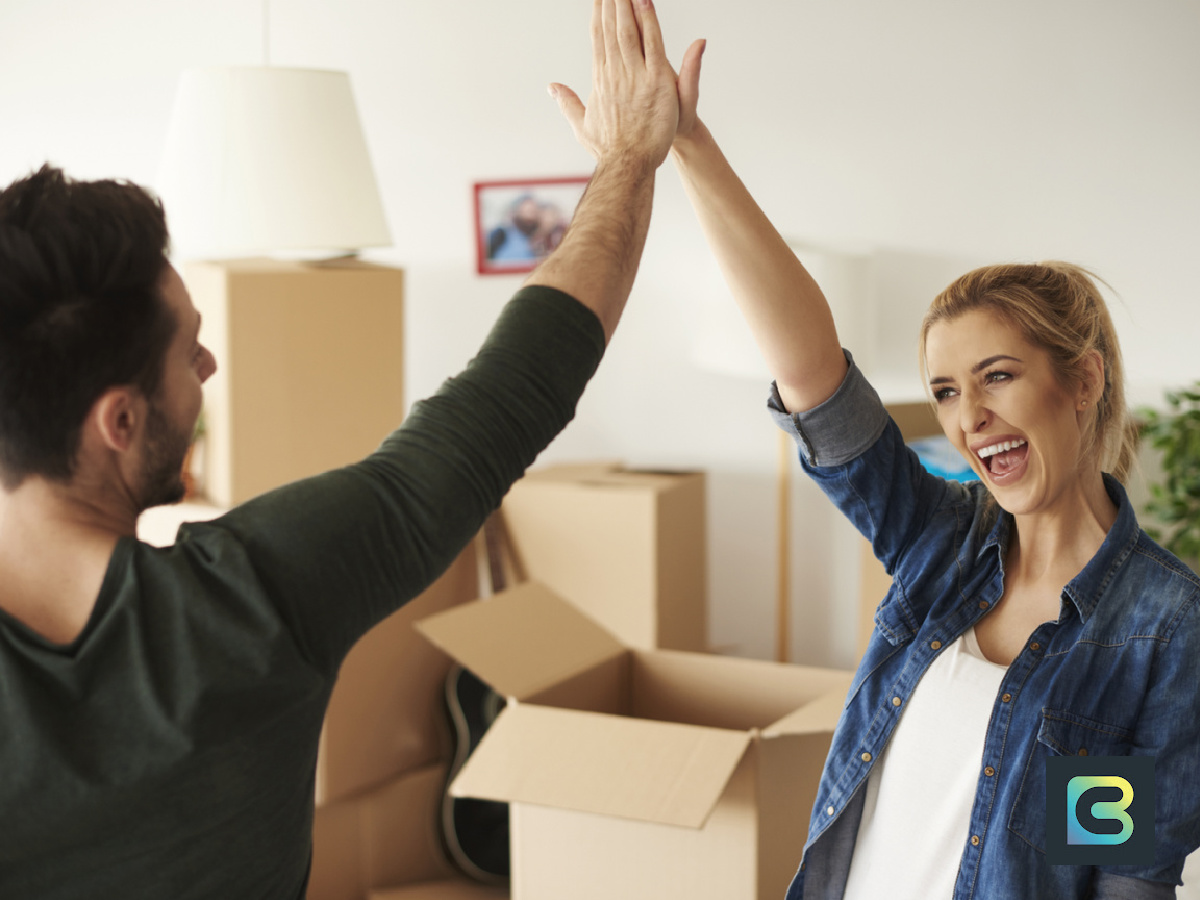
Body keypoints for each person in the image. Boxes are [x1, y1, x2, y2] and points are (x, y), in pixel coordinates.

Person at [0, 0, 684, 896]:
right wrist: (629, 159)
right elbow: (511, 393)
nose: (208, 363)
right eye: (185, 349)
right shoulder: (256, 600)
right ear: (119, 422)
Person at [666, 33, 1200, 900]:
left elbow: (1115, 878)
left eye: (998, 376)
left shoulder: (1162, 631)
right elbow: (815, 382)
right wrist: (691, 146)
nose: (968, 417)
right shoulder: (940, 546)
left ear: (1083, 380)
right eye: (946, 391)